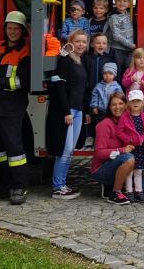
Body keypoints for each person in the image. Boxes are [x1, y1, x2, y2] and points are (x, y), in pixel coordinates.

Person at [0, 11, 33, 206]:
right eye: (9, 28)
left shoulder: (27, 50)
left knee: (15, 148)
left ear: (22, 30)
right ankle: (0, 185)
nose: (12, 32)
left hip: (12, 105)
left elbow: (24, 82)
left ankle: (19, 186)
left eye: (16, 28)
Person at [47, 30, 89, 200]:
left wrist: (83, 111)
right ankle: (58, 187)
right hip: (69, 111)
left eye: (84, 42)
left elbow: (81, 89)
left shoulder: (80, 61)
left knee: (70, 150)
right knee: (64, 151)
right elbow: (60, 88)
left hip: (78, 111)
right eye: (78, 41)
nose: (81, 44)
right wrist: (66, 112)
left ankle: (62, 184)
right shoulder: (65, 61)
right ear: (71, 42)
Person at [91, 93, 138, 204]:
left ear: (127, 105)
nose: (117, 107)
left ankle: (112, 186)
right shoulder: (105, 124)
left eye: (121, 103)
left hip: (116, 163)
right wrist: (122, 150)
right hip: (101, 169)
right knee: (129, 158)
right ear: (109, 107)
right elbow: (98, 153)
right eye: (113, 105)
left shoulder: (127, 121)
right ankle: (115, 193)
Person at [83, 33, 114, 148]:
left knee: (103, 115)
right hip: (89, 91)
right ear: (92, 44)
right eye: (98, 43)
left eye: (104, 43)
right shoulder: (87, 58)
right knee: (90, 114)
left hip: (104, 92)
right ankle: (90, 136)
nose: (101, 45)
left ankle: (103, 138)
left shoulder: (109, 59)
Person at [105, 0, 136, 73]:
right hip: (117, 50)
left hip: (129, 50)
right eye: (119, 0)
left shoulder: (129, 15)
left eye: (124, 1)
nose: (121, 3)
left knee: (128, 72)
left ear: (129, 3)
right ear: (115, 1)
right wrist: (131, 45)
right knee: (118, 72)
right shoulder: (114, 17)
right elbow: (116, 36)